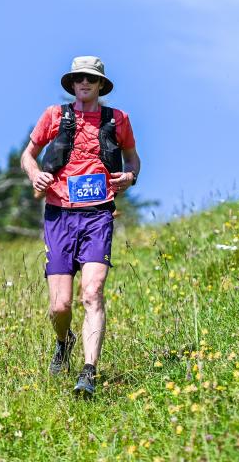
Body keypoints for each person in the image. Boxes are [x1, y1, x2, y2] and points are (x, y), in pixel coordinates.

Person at [21, 56, 141, 396]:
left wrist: (130, 177)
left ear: (101, 84)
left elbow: (133, 160)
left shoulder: (118, 120)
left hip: (98, 214)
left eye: (91, 79)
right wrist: (36, 174)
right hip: (59, 214)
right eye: (79, 79)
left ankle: (88, 372)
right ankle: (64, 340)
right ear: (72, 84)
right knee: (60, 306)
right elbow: (28, 155)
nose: (85, 83)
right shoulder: (54, 117)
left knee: (92, 292)